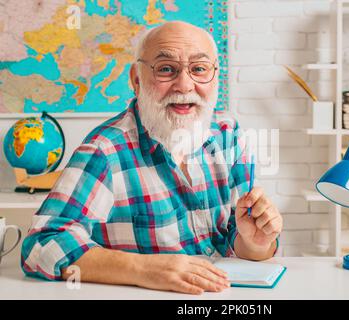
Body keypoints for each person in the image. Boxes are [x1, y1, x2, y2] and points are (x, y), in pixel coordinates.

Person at [20, 21, 283, 295]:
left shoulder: (229, 135)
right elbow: (40, 246)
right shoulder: (104, 151)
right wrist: (143, 269)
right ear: (136, 79)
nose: (184, 85)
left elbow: (237, 242)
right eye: (166, 69)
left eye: (199, 69)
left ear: (215, 76)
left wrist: (254, 243)